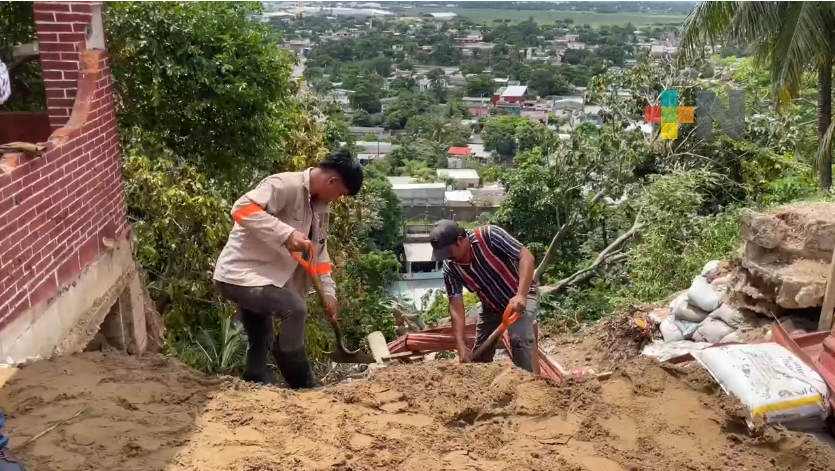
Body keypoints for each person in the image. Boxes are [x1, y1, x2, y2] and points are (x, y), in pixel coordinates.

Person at [213, 151, 363, 388]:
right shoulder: (284, 185)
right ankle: (303, 384)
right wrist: (285, 233)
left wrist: (329, 290)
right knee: (294, 309)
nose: (337, 199)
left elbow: (319, 253)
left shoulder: (321, 208)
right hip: (239, 275)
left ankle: (255, 383)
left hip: (267, 281)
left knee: (261, 336)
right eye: (340, 194)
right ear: (332, 181)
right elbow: (241, 208)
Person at [430, 220, 539, 371]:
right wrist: (461, 346)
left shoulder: (489, 235)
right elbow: (456, 306)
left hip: (522, 296)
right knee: (479, 358)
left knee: (518, 339)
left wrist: (520, 295)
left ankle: (526, 386)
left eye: (449, 252)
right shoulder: (450, 269)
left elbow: (527, 258)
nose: (448, 258)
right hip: (491, 309)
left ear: (460, 241)